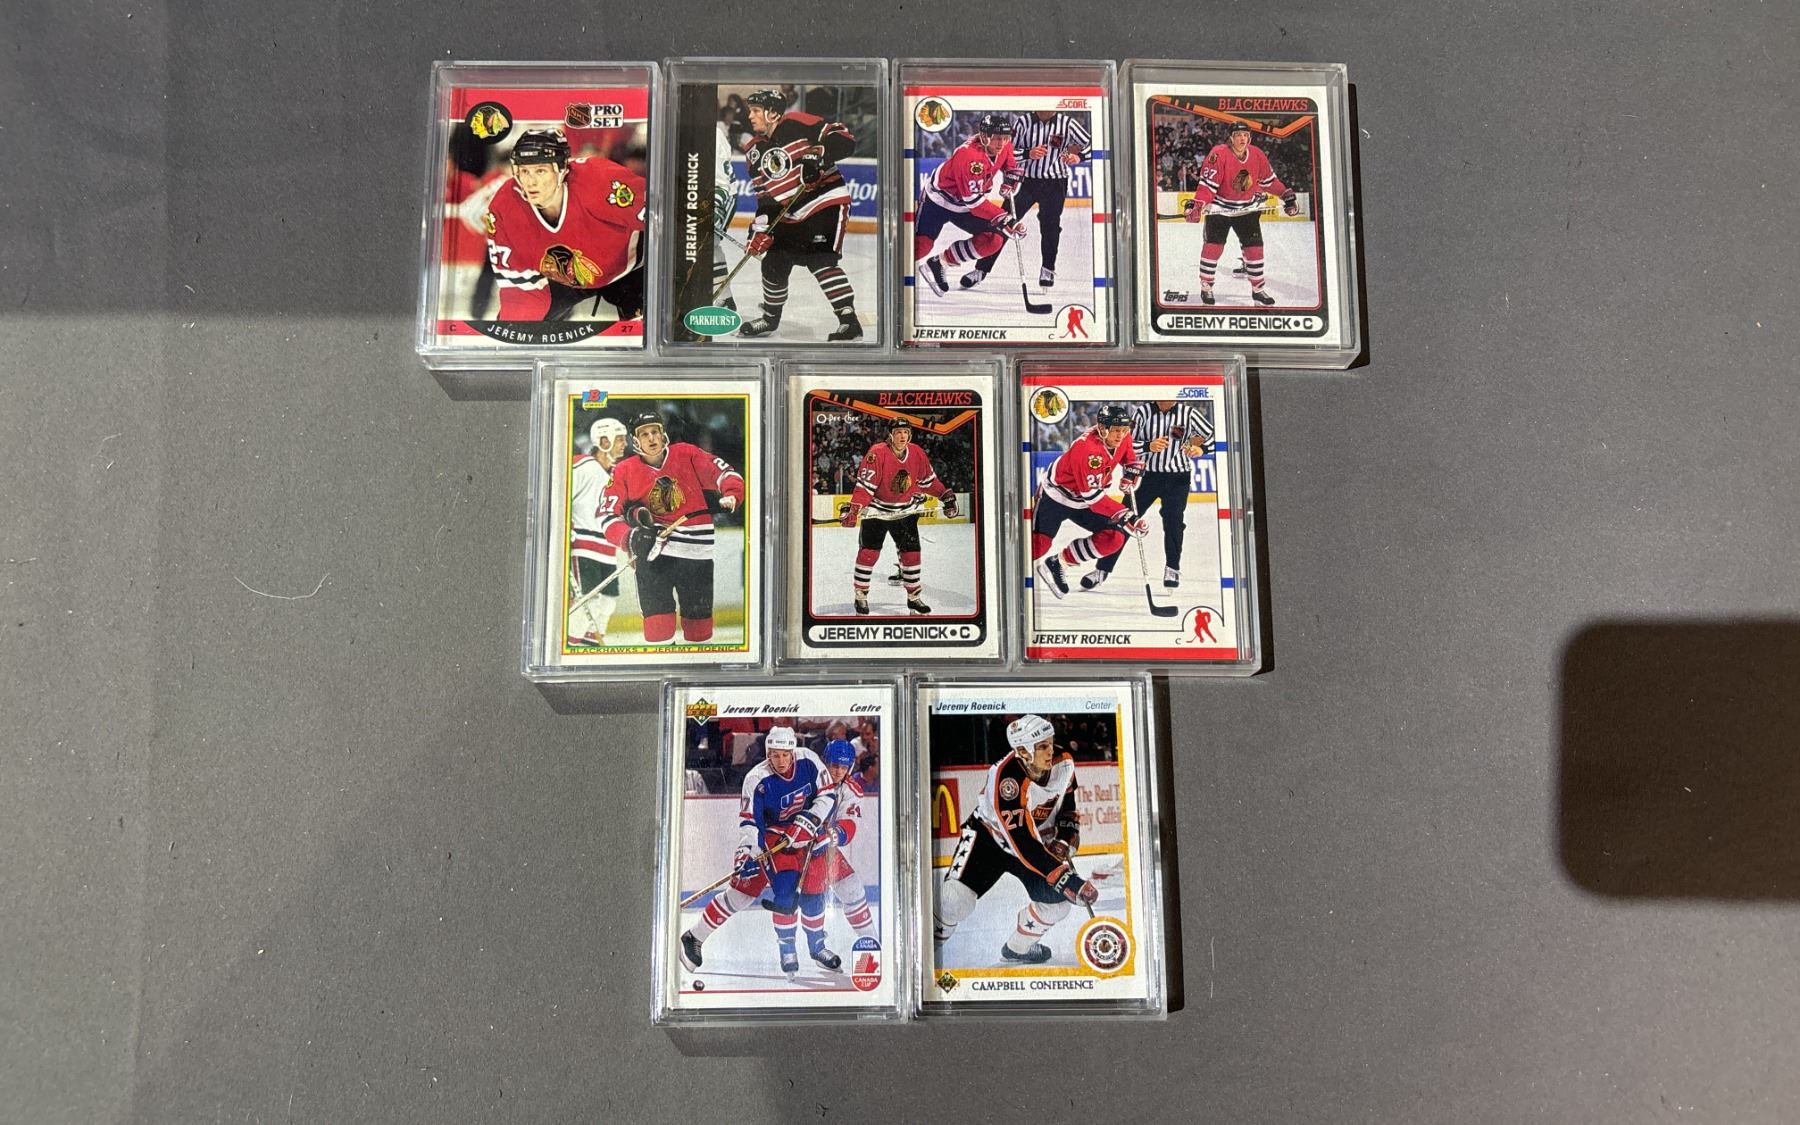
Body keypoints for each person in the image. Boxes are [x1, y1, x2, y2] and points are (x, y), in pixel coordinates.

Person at [678, 727, 844, 979]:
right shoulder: (756, 779)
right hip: (771, 837)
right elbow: (750, 822)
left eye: (785, 755)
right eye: (775, 755)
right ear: (768, 754)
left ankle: (817, 947)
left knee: (812, 891)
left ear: (793, 752)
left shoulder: (809, 760)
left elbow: (827, 794)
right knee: (743, 894)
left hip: (807, 833)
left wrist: (810, 820)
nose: (781, 761)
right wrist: (747, 852)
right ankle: (694, 936)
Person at [934, 715, 1094, 964]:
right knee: (953, 901)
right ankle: (924, 948)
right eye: (1042, 746)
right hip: (989, 840)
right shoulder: (1005, 779)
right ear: (1023, 751)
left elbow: (1068, 806)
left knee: (1058, 904)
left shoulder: (1064, 762)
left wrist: (1064, 839)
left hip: (1030, 841)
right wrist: (1066, 878)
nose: (1051, 751)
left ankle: (1018, 948)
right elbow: (1022, 841)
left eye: (1051, 743)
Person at [597, 413, 744, 645]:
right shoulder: (624, 470)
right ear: (635, 441)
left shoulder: (686, 454)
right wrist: (630, 537)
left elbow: (724, 472)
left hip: (696, 555)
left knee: (699, 635)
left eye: (655, 431)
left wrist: (732, 493)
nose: (651, 438)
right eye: (644, 434)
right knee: (658, 633)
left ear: (663, 434)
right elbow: (606, 515)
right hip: (654, 555)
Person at [736, 89, 864, 342]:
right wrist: (759, 230)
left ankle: (850, 323)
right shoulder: (754, 151)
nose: (750, 116)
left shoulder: (797, 122)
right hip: (790, 214)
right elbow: (765, 198)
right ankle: (770, 319)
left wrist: (817, 156)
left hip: (824, 202)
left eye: (756, 110)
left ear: (773, 113)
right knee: (773, 263)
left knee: (821, 259)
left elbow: (844, 138)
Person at [482, 128, 647, 322]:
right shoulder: (505, 207)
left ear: (562, 169)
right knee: (517, 328)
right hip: (565, 281)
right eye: (524, 171)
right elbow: (519, 292)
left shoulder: (599, 180)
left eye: (540, 171)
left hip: (632, 269)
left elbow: (662, 221)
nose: (531, 182)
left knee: (646, 329)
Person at [1079, 400, 1214, 591]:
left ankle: (1172, 568)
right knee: (1123, 519)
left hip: (1178, 478)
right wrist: (1149, 446)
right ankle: (1102, 569)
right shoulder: (1143, 412)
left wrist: (1201, 448)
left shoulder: (1188, 413)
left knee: (1174, 522)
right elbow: (1125, 443)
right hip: (1148, 477)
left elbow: (1213, 435)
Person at [838, 418, 959, 615]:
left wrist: (945, 495)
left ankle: (914, 598)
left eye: (905, 432)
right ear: (891, 435)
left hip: (905, 512)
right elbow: (865, 487)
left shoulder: (917, 453)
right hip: (878, 511)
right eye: (898, 432)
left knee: (912, 555)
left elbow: (929, 482)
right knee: (868, 553)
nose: (902, 436)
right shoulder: (877, 453)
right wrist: (855, 508)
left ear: (909, 435)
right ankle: (861, 595)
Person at [962, 109, 1090, 290]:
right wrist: (1028, 153)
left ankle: (1048, 269)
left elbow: (1093, 144)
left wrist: (1079, 156)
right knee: (1002, 222)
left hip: (1055, 183)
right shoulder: (1023, 122)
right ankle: (981, 269)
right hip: (1026, 182)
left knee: (1051, 227)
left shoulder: (1067, 123)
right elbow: (1005, 151)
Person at [1030, 405, 1149, 599]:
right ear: (1102, 428)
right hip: (1056, 496)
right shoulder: (1086, 449)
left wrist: (1130, 474)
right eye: (1116, 430)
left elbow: (1129, 459)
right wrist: (1127, 516)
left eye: (1124, 430)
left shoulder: (1123, 436)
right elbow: (1094, 499)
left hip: (1084, 500)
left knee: (1113, 538)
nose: (1121, 435)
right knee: (1038, 546)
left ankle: (1058, 563)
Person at [1182, 120, 1298, 307]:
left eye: (1245, 135)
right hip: (1220, 208)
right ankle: (1206, 286)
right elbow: (1207, 186)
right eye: (1238, 135)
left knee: (1255, 249)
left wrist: (1285, 194)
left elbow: (1269, 181)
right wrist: (1198, 204)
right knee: (1213, 247)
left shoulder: (1257, 155)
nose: (1242, 139)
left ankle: (1258, 290)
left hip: (1246, 209)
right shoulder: (1218, 154)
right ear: (1231, 137)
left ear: (1249, 138)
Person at [914, 114, 1024, 296]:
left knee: (992, 240)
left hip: (964, 205)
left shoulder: (1004, 146)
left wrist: (1011, 180)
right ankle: (893, 270)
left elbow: (1010, 166)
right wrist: (1006, 219)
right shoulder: (969, 156)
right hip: (938, 200)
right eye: (997, 138)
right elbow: (973, 202)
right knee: (921, 246)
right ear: (984, 136)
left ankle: (939, 263)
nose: (1002, 143)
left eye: (1005, 138)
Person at [566, 417, 631, 646]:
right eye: (620, 439)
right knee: (589, 603)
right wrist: (565, 528)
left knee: (608, 602)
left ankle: (590, 644)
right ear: (604, 441)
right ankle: (572, 645)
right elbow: (560, 496)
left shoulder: (616, 476)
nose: (625, 444)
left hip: (606, 549)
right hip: (583, 545)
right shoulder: (582, 466)